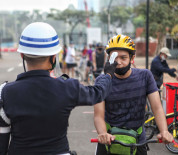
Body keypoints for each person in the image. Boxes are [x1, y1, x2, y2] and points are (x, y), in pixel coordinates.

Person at [0, 22, 117, 155]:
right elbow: (98, 93)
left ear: (22, 55)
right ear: (54, 57)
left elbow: (2, 140)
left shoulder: (4, 92)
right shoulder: (68, 87)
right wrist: (108, 74)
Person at [94, 35, 173, 155]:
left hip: (137, 142)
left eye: (123, 58)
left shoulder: (145, 76)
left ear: (132, 58)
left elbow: (157, 107)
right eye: (114, 57)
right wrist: (102, 133)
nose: (118, 62)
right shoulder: (102, 80)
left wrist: (164, 131)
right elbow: (98, 115)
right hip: (109, 141)